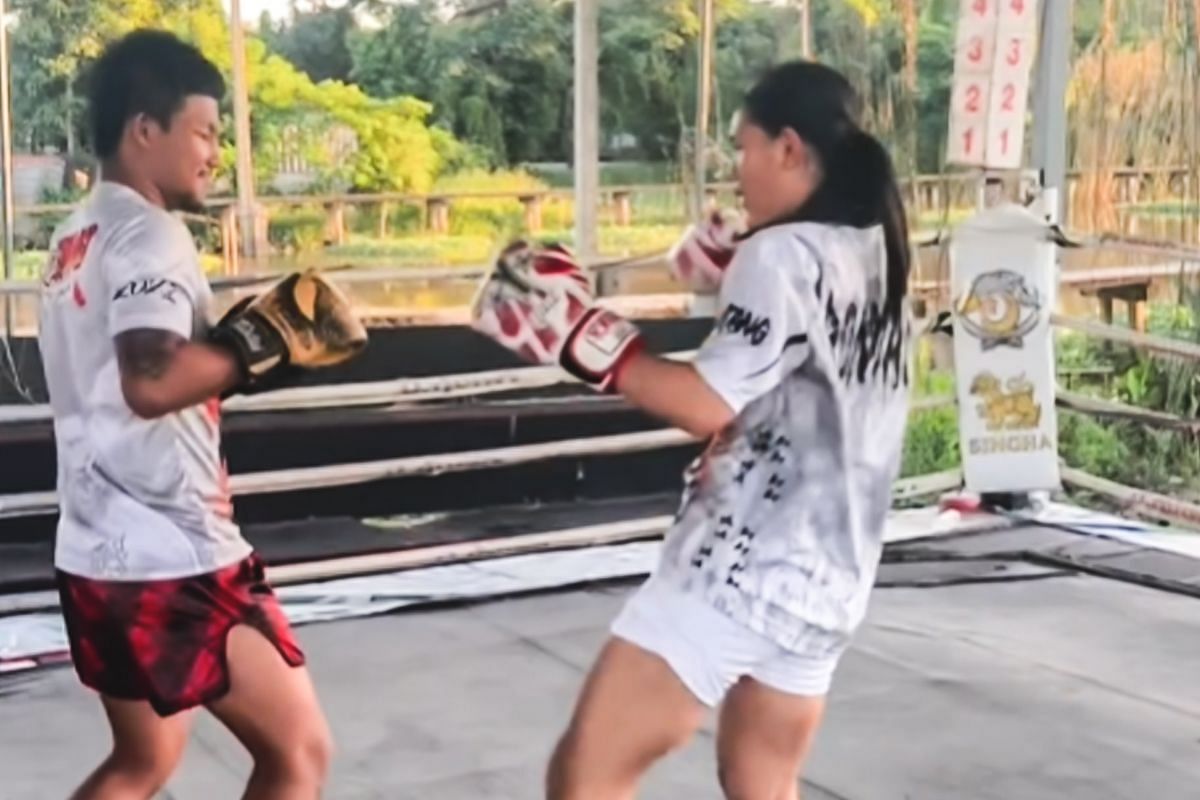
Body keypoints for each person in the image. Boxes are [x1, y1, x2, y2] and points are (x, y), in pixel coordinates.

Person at [472, 59, 912, 799]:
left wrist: (578, 333)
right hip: (828, 582)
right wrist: (723, 267)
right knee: (765, 784)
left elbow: (705, 403)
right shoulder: (876, 251)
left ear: (789, 148)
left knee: (584, 777)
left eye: (743, 149)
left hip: (737, 573)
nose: (736, 173)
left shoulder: (781, 256)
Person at [38, 30, 366, 800]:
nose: (214, 152)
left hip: (94, 550)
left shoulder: (72, 235)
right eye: (205, 132)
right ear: (144, 130)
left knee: (142, 762)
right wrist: (264, 345)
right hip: (172, 560)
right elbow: (149, 379)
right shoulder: (150, 233)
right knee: (300, 753)